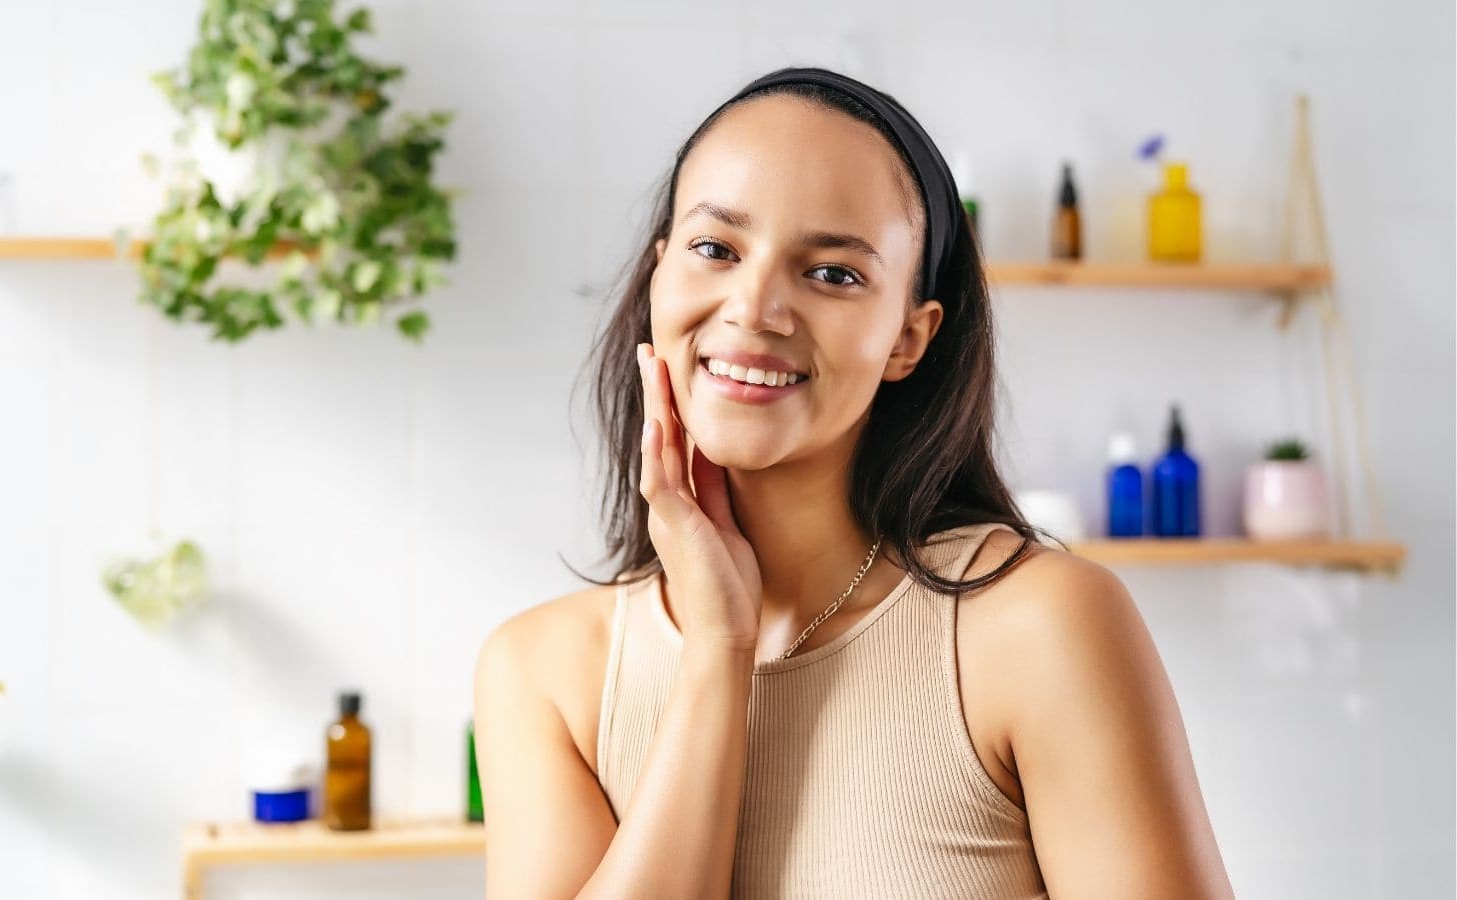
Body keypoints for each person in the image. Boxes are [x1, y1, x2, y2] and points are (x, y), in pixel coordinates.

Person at [474, 66, 1234, 899]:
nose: (755, 307)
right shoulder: (542, 672)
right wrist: (718, 654)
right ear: (661, 277)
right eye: (714, 249)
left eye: (833, 273)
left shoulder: (1040, 628)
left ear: (910, 338)